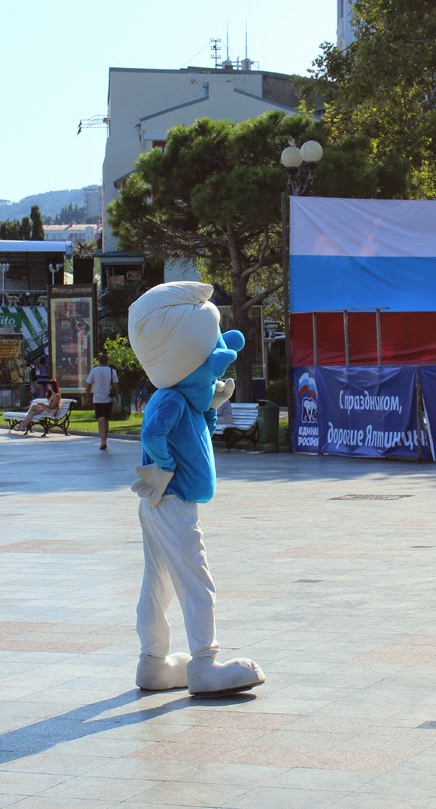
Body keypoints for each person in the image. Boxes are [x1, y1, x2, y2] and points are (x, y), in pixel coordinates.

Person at [128, 281, 265, 696]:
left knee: (159, 580)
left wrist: (211, 407)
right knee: (195, 580)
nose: (214, 372)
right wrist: (165, 465)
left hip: (163, 502)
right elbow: (153, 435)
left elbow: (199, 428)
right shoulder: (170, 399)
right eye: (209, 361)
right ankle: (204, 662)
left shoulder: (184, 399)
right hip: (172, 500)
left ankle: (153, 662)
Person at [85, 353, 119, 451]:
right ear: (107, 361)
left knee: (100, 419)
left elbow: (88, 385)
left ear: (99, 361)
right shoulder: (112, 371)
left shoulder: (94, 371)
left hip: (98, 399)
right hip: (108, 398)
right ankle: (105, 440)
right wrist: (116, 398)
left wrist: (87, 397)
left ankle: (102, 441)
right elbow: (116, 386)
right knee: (106, 419)